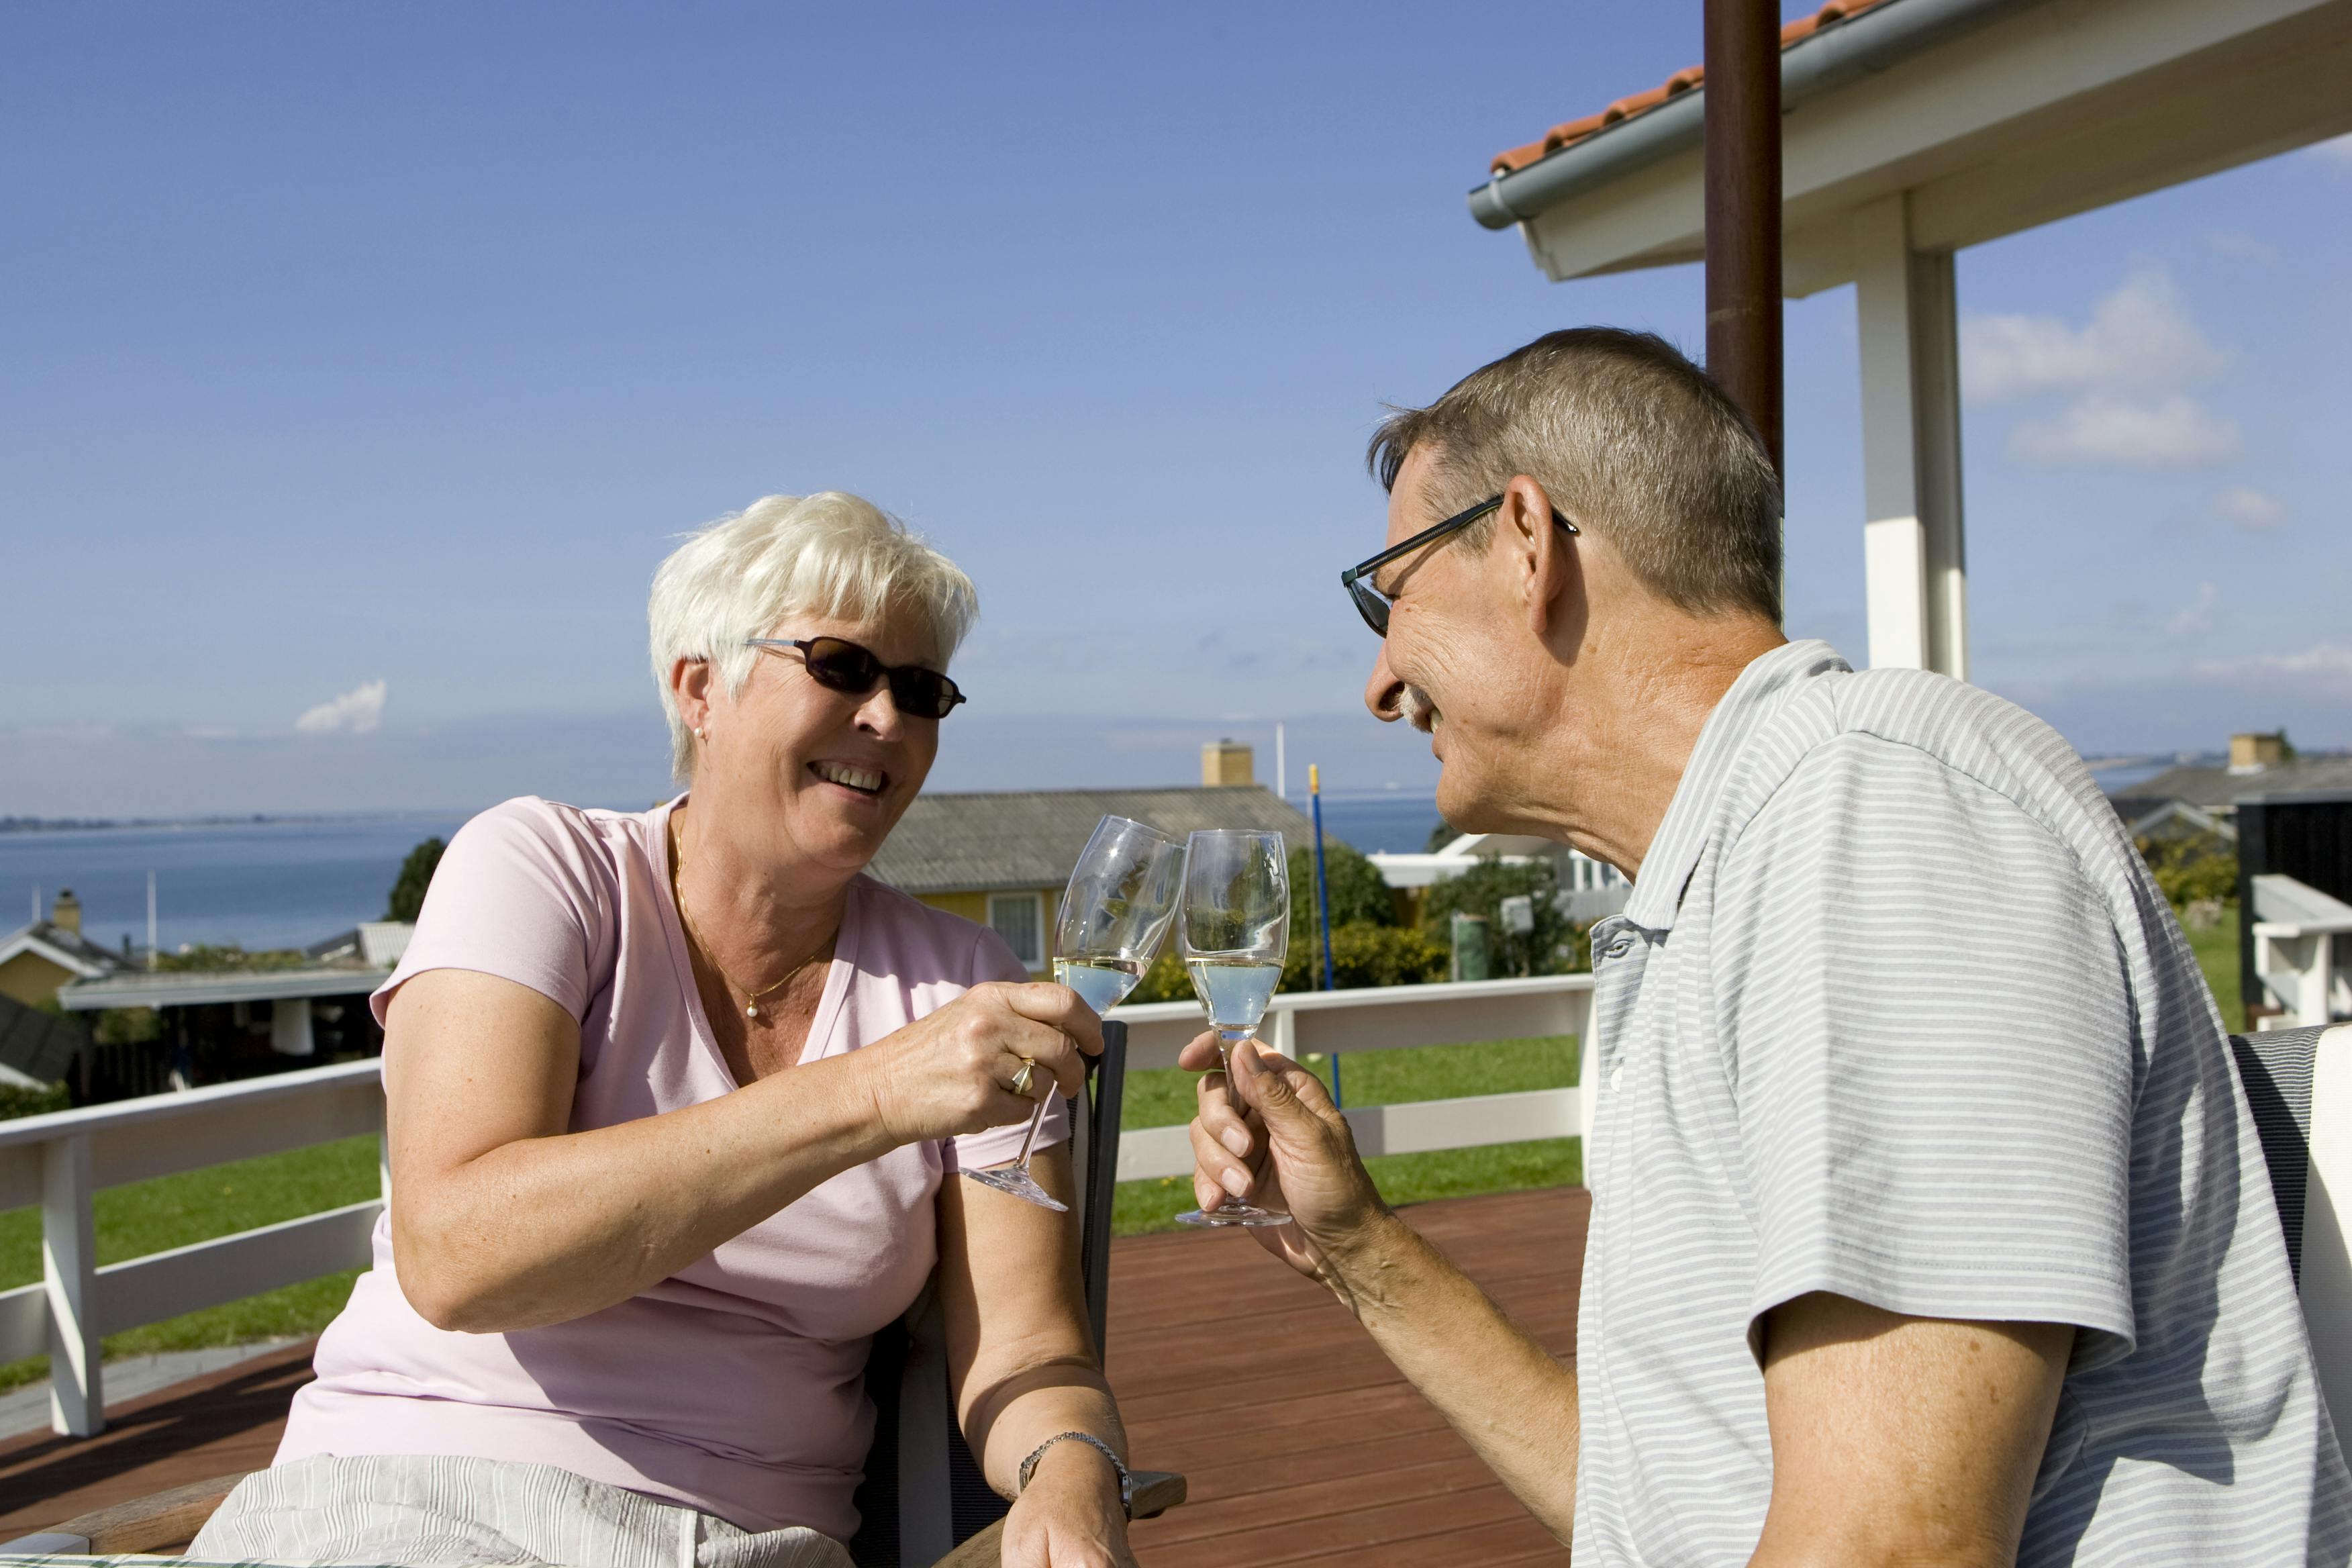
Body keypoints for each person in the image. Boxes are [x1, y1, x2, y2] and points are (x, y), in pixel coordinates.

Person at [1184, 330, 2352, 1566]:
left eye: (1391, 589)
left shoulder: (1875, 820)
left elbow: (1891, 1547)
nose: (1377, 683)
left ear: (1526, 541)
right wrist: (1361, 1249)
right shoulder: (1713, 890)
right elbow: (1660, 1512)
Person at [197, 493, 1138, 1568]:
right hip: (417, 1506)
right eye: (841, 667)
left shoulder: (961, 985)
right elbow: (458, 1255)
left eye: (920, 691)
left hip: (749, 1543)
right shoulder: (544, 870)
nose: (887, 717)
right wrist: (872, 1093)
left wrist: (1071, 1471)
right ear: (700, 686)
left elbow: (1028, 1343)